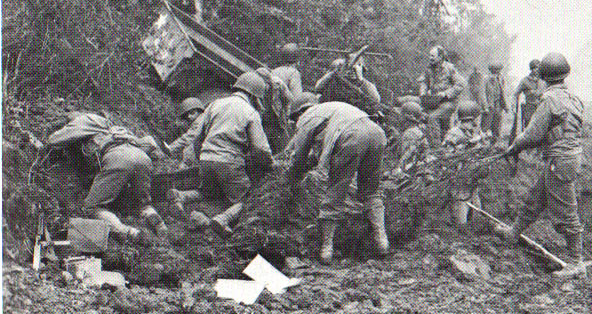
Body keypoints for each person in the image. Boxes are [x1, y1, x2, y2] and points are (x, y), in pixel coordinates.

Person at [498, 52, 587, 279]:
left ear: (544, 76)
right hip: (567, 157)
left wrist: (515, 147)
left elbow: (533, 134)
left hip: (560, 160)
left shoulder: (549, 100)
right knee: (536, 198)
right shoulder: (573, 98)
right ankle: (513, 233)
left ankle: (576, 263)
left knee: (567, 213)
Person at [169, 71, 273, 238]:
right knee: (248, 198)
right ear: (255, 95)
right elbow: (260, 148)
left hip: (206, 157)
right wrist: (269, 164)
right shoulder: (250, 112)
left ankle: (181, 196)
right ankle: (223, 219)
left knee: (210, 193)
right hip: (229, 160)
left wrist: (202, 157)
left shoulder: (214, 104)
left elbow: (198, 137)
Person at [286, 97, 389, 264]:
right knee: (371, 191)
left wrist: (293, 176)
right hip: (376, 133)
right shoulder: (333, 109)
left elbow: (299, 155)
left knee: (335, 193)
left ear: (299, 112)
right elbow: (319, 151)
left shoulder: (308, 117)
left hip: (351, 136)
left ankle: (326, 250)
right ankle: (382, 241)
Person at [46, 113, 168, 245]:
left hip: (118, 158)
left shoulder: (83, 120)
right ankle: (156, 222)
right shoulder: (110, 127)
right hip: (142, 157)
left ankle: (129, 233)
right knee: (141, 204)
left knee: (92, 207)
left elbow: (53, 140)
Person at [418, 45, 466, 145]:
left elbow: (461, 84)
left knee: (433, 117)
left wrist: (445, 94)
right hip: (435, 101)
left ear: (440, 57)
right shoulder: (429, 68)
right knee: (422, 114)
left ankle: (436, 146)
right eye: (430, 56)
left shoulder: (449, 68)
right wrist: (423, 92)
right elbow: (423, 81)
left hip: (449, 102)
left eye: (433, 56)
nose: (430, 58)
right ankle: (444, 144)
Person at [315, 59, 381, 114]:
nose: (351, 72)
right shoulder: (333, 81)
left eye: (354, 70)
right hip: (334, 113)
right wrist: (334, 72)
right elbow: (318, 88)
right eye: (348, 69)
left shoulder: (365, 84)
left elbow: (375, 100)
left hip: (354, 115)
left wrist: (360, 79)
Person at [513, 59, 548, 129]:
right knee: (529, 126)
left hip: (541, 107)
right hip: (529, 107)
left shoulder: (544, 80)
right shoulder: (525, 80)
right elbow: (516, 94)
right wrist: (513, 106)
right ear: (531, 69)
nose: (536, 70)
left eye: (538, 68)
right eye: (534, 68)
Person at [398, 101, 428, 172]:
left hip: (412, 171)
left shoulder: (410, 133)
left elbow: (406, 159)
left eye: (401, 115)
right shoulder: (416, 129)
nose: (399, 118)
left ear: (408, 117)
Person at [484, 64, 508, 141]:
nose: (497, 73)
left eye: (498, 71)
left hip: (498, 104)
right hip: (489, 104)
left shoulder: (501, 78)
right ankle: (484, 141)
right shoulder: (486, 79)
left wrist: (505, 106)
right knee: (487, 124)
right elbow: (483, 94)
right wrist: (485, 106)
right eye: (495, 71)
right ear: (491, 71)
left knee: (497, 123)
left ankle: (495, 141)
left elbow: (503, 92)